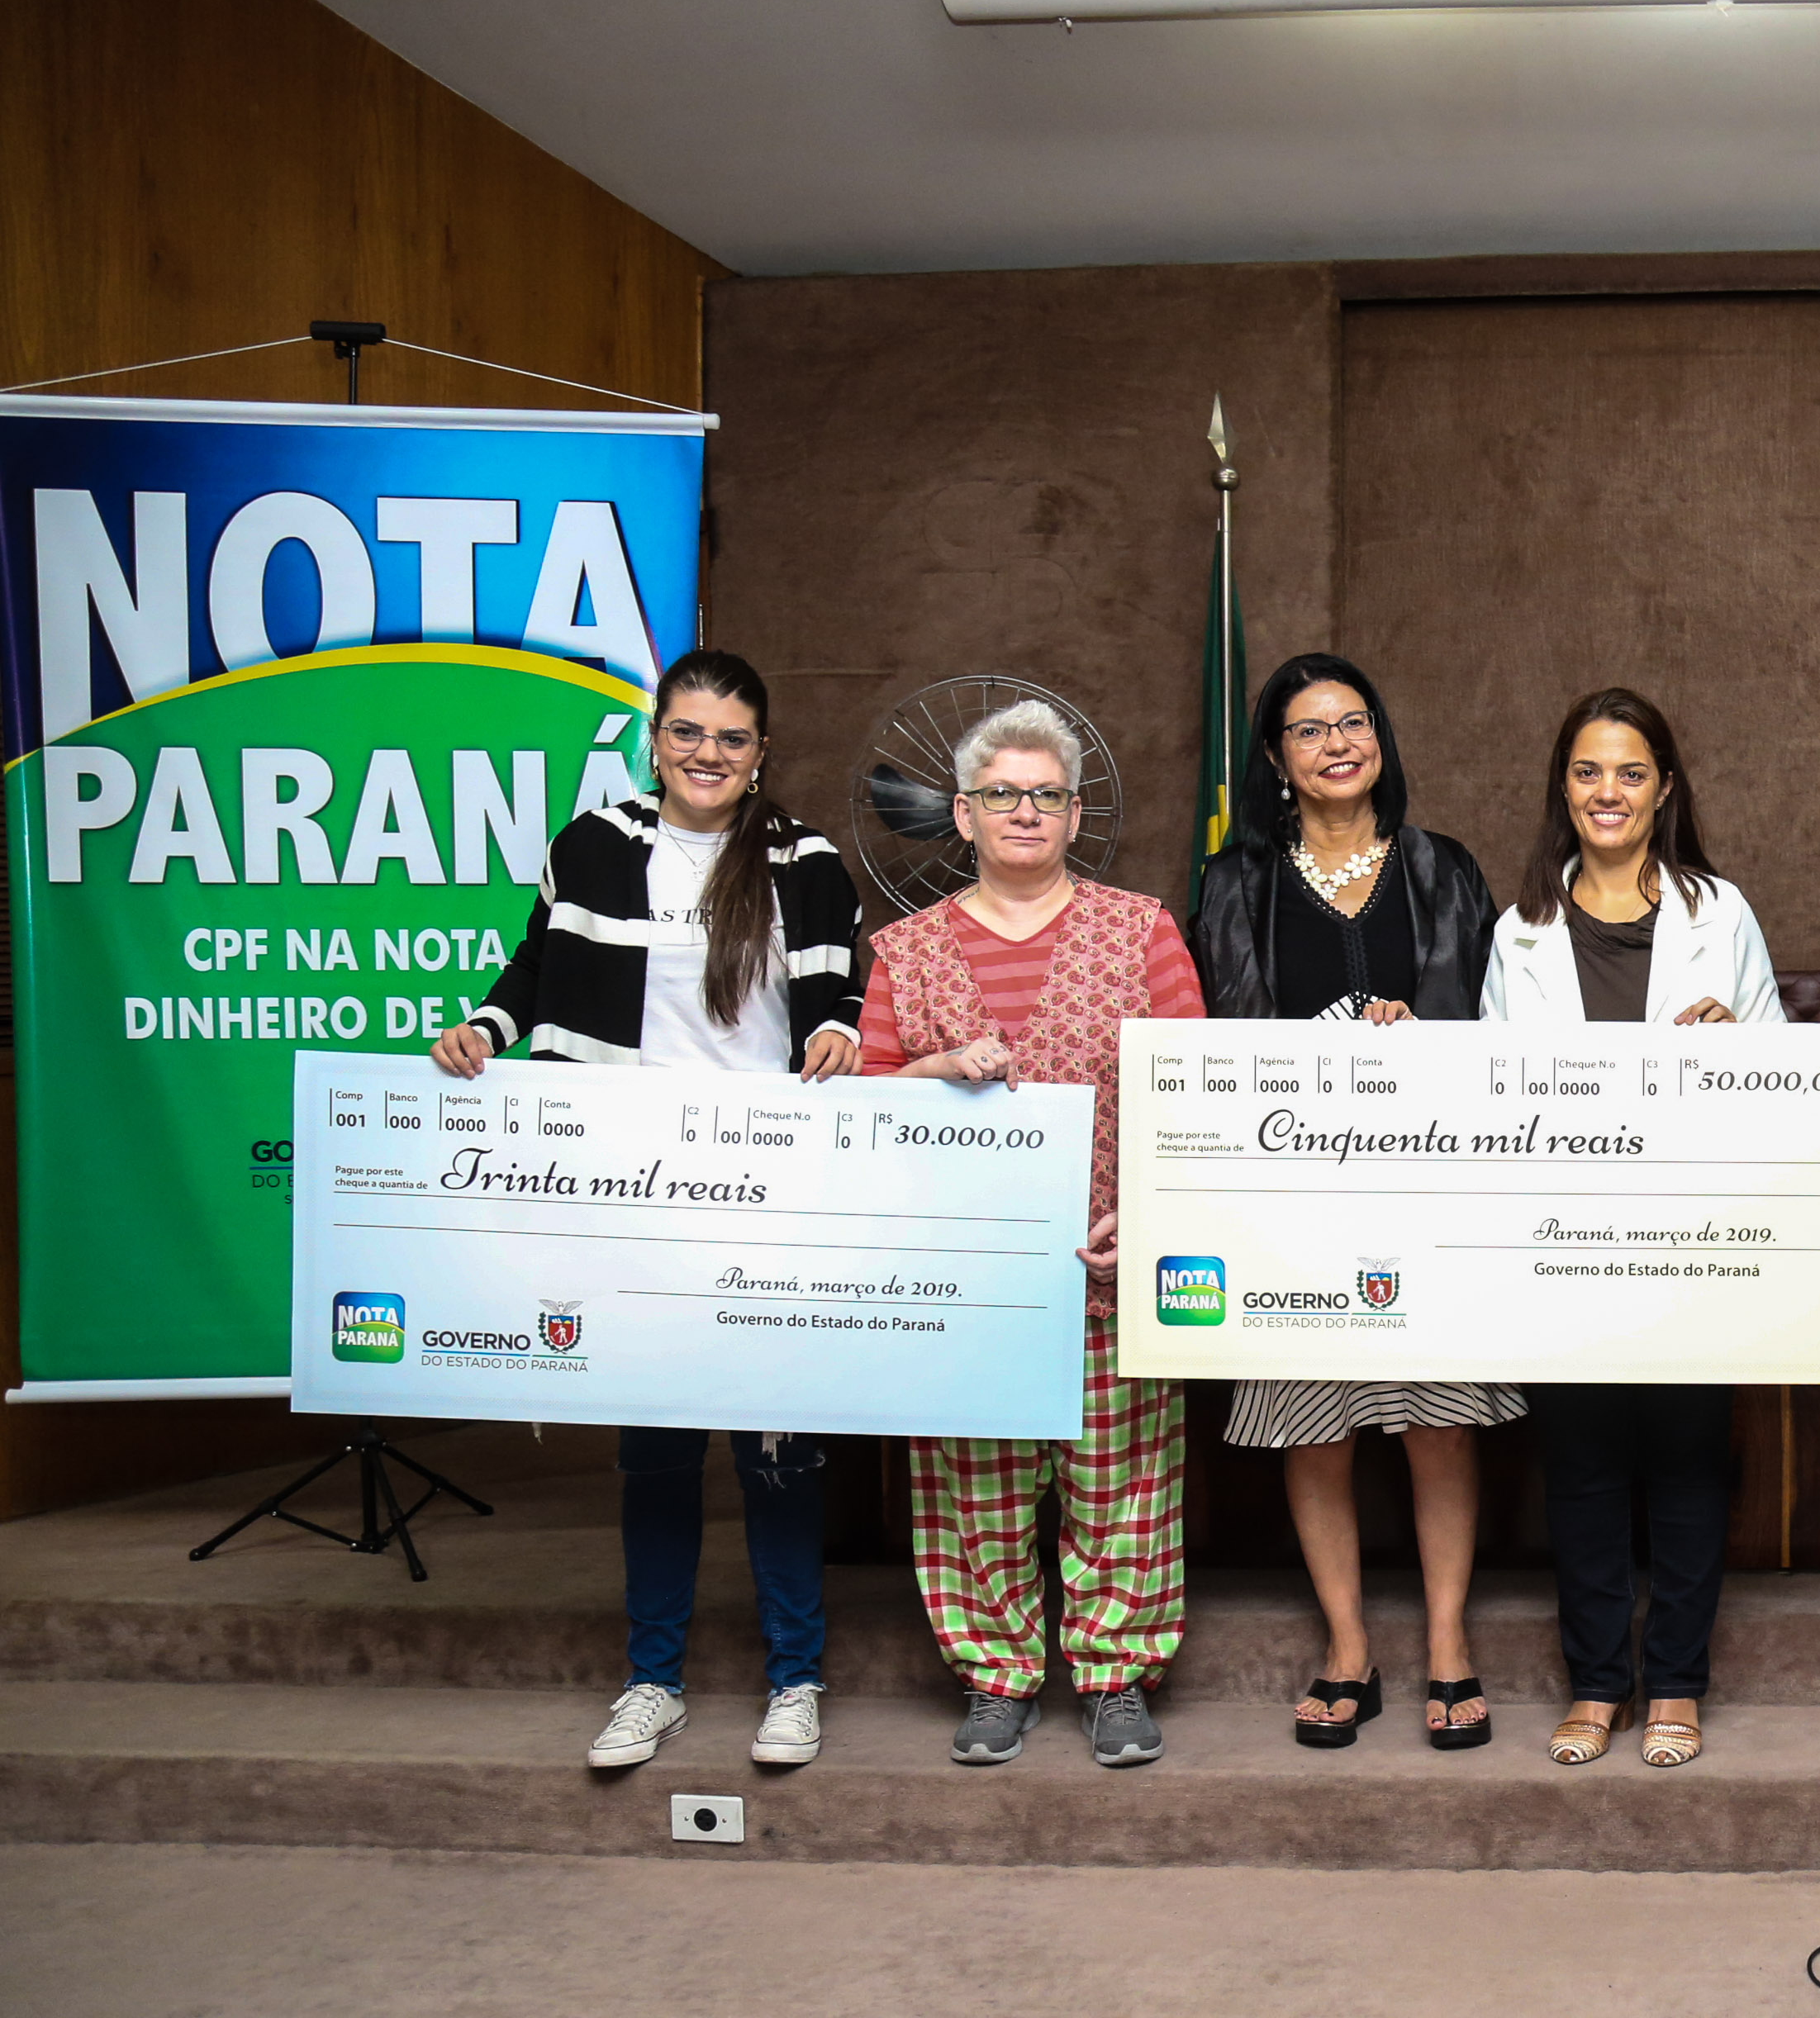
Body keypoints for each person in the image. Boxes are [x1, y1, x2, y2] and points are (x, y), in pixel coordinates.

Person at [437, 648, 862, 1772]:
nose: (707, 754)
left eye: (731, 738)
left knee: (778, 1450)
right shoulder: (593, 845)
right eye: (688, 732)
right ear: (656, 739)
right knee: (658, 1449)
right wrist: (484, 1030)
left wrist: (839, 1028)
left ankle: (796, 1680)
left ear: (760, 752)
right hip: (631, 1183)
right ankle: (653, 1682)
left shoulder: (806, 860)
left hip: (769, 1187)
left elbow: (842, 991)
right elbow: (534, 969)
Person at [855, 698, 1205, 1769]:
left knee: (1122, 1482)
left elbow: (1192, 1089)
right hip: (968, 1289)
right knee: (976, 1487)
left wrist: (1149, 1207)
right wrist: (931, 1068)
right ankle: (996, 1676)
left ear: (1075, 814)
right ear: (963, 814)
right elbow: (859, 1112)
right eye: (1001, 794)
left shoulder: (1139, 929)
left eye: (1046, 795)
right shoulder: (907, 952)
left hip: (1109, 1269)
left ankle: (1115, 1677)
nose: (1024, 811)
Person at [1190, 653, 1513, 1750]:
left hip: (1429, 1190)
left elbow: (1495, 1029)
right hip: (1292, 1201)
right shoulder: (1233, 881)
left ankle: (1449, 1644)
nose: (1338, 744)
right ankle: (1347, 1648)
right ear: (1275, 758)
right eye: (1310, 729)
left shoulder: (1442, 866)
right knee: (1314, 1428)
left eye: (1355, 721)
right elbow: (1218, 1040)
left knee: (1440, 1425)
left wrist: (1427, 1036)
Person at [1480, 688, 1782, 1769]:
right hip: (1564, 1240)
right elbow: (1488, 1092)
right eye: (1587, 771)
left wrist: (1737, 1040)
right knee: (1583, 1470)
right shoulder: (1520, 928)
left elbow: (1783, 1073)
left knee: (1690, 1465)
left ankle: (1679, 1685)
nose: (1607, 792)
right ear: (1563, 788)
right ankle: (1599, 1685)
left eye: (1630, 772)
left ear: (1665, 789)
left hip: (1693, 1237)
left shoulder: (1720, 912)